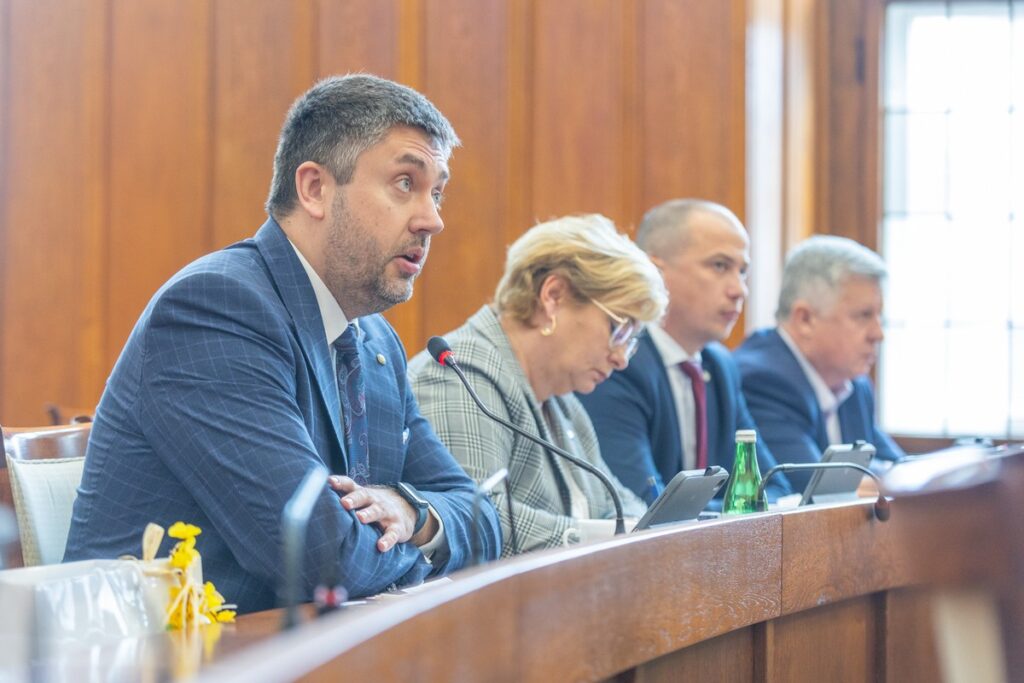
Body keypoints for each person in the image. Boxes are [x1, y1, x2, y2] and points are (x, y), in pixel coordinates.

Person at [64, 74, 500, 613]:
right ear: (314, 189)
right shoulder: (215, 310)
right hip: (172, 650)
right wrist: (423, 549)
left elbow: (479, 517)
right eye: (405, 183)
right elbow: (321, 559)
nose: (433, 220)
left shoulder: (373, 341)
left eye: (436, 192)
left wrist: (413, 513)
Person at [408, 215, 665, 556]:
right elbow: (475, 520)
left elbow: (614, 503)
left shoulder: (562, 402)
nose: (622, 359)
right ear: (553, 296)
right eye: (619, 330)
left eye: (632, 340)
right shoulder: (458, 375)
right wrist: (602, 537)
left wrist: (652, 530)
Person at [577, 199, 792, 505]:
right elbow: (643, 505)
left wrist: (738, 508)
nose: (739, 290)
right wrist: (739, 509)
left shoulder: (720, 367)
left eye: (743, 271)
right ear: (655, 272)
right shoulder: (618, 363)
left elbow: (774, 488)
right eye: (720, 266)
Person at [733, 235, 904, 493]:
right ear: (805, 319)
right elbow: (815, 488)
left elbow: (898, 467)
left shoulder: (854, 385)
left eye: (879, 317)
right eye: (863, 316)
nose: (878, 334)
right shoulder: (762, 381)